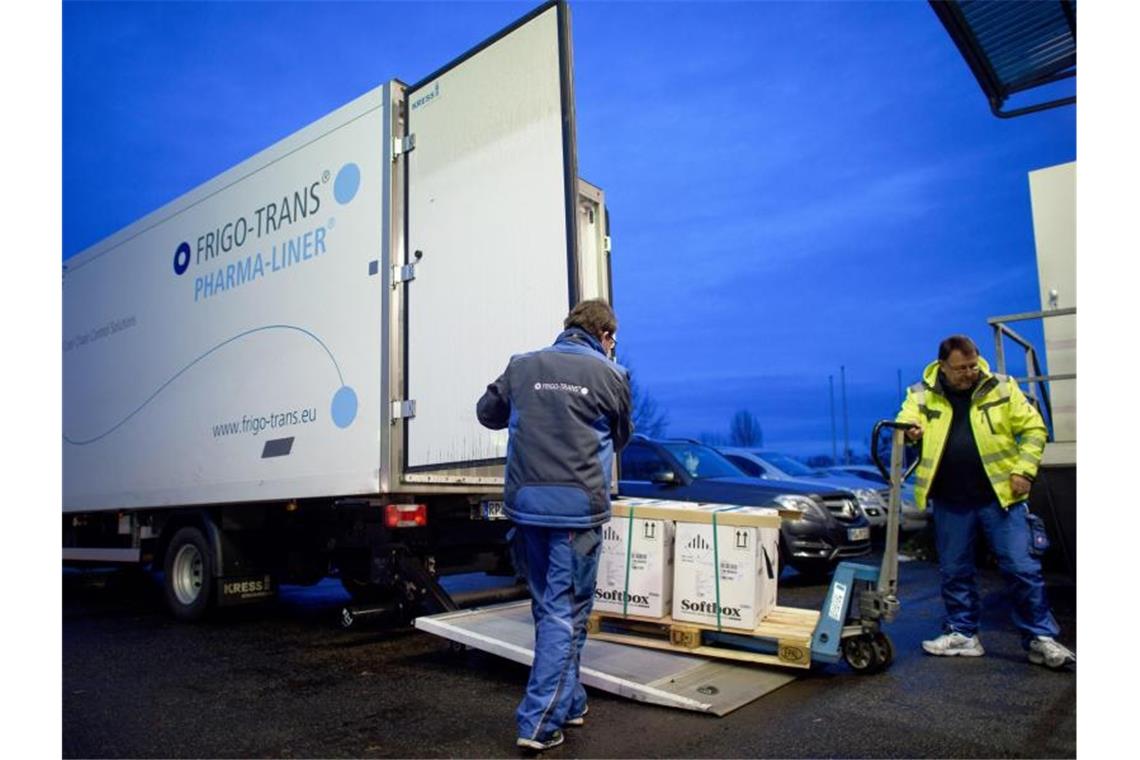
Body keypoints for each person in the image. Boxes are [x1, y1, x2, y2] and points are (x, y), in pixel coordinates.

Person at [476, 299, 633, 751]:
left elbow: (488, 413)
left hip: (526, 508)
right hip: (575, 512)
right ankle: (539, 721)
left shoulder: (522, 366)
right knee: (565, 611)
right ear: (605, 336)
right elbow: (620, 435)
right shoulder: (611, 375)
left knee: (552, 607)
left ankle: (570, 700)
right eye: (613, 341)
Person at [897, 335, 1074, 669]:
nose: (969, 373)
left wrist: (1024, 470)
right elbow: (906, 418)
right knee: (954, 570)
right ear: (943, 367)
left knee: (1021, 568)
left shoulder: (1002, 388)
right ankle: (963, 633)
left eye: (972, 365)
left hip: (1001, 498)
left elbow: (1035, 429)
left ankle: (1040, 638)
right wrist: (910, 429)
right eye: (960, 368)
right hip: (951, 499)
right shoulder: (921, 393)